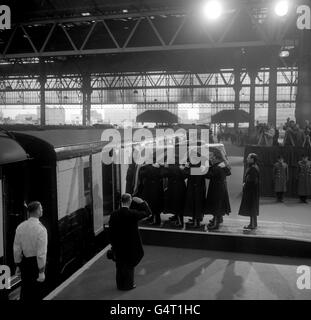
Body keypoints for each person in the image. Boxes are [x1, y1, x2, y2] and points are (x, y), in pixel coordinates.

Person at [108, 194, 151, 291]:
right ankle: (128, 285)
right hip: (130, 245)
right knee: (129, 265)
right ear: (130, 201)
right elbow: (148, 213)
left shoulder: (114, 214)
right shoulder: (133, 214)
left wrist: (113, 244)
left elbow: (110, 231)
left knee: (119, 265)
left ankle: (120, 285)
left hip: (118, 244)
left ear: (121, 201)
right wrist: (142, 202)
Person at [13, 201, 47, 301]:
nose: (42, 210)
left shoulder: (20, 227)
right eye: (41, 208)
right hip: (36, 265)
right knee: (37, 292)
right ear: (36, 211)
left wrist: (18, 265)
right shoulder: (41, 229)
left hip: (25, 263)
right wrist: (41, 271)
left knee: (26, 291)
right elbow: (41, 254)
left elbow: (16, 249)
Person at [205, 150, 231, 231]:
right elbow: (228, 172)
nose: (210, 157)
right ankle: (218, 219)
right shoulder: (221, 164)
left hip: (217, 188)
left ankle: (216, 224)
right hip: (220, 187)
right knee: (218, 204)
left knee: (216, 205)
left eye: (211, 155)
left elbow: (210, 175)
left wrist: (203, 170)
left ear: (215, 156)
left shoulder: (218, 166)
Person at [238, 153, 260, 230]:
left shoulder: (253, 168)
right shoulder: (253, 167)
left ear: (252, 159)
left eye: (248, 157)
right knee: (252, 207)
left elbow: (252, 181)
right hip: (252, 191)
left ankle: (253, 225)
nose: (247, 159)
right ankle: (253, 223)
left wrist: (245, 184)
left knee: (252, 208)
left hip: (251, 192)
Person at [162, 163, 186, 227]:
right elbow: (185, 176)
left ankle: (180, 222)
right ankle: (179, 220)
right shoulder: (180, 166)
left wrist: (165, 167)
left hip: (174, 187)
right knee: (179, 204)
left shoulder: (171, 167)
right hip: (181, 187)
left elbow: (163, 174)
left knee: (176, 205)